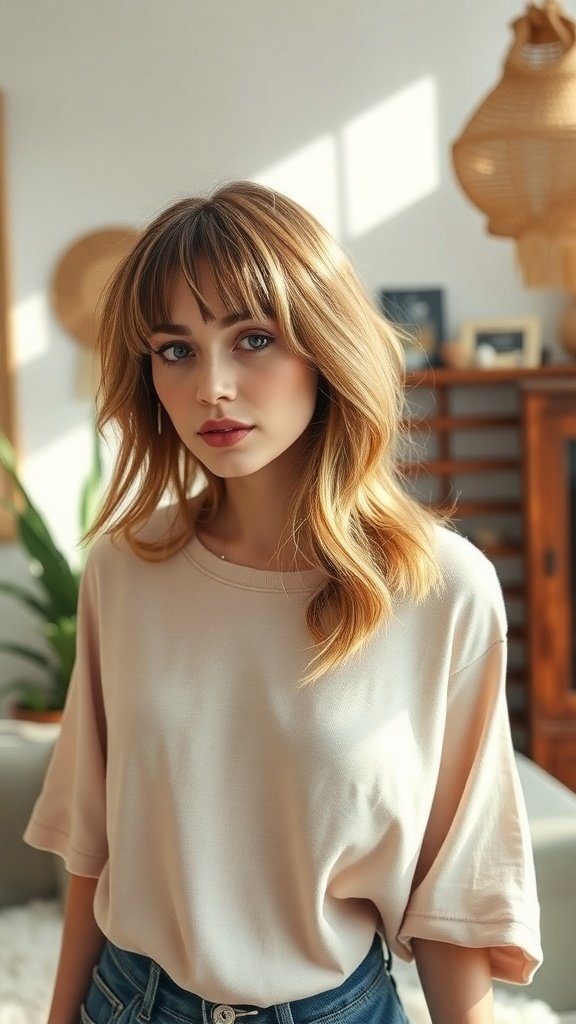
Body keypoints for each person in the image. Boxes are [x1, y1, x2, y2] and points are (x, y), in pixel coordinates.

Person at [25, 181, 541, 1024]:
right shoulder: (124, 570)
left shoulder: (441, 589)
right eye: (175, 350)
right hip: (132, 1001)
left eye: (253, 338)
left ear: (324, 348)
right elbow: (95, 844)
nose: (212, 387)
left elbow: (456, 892)